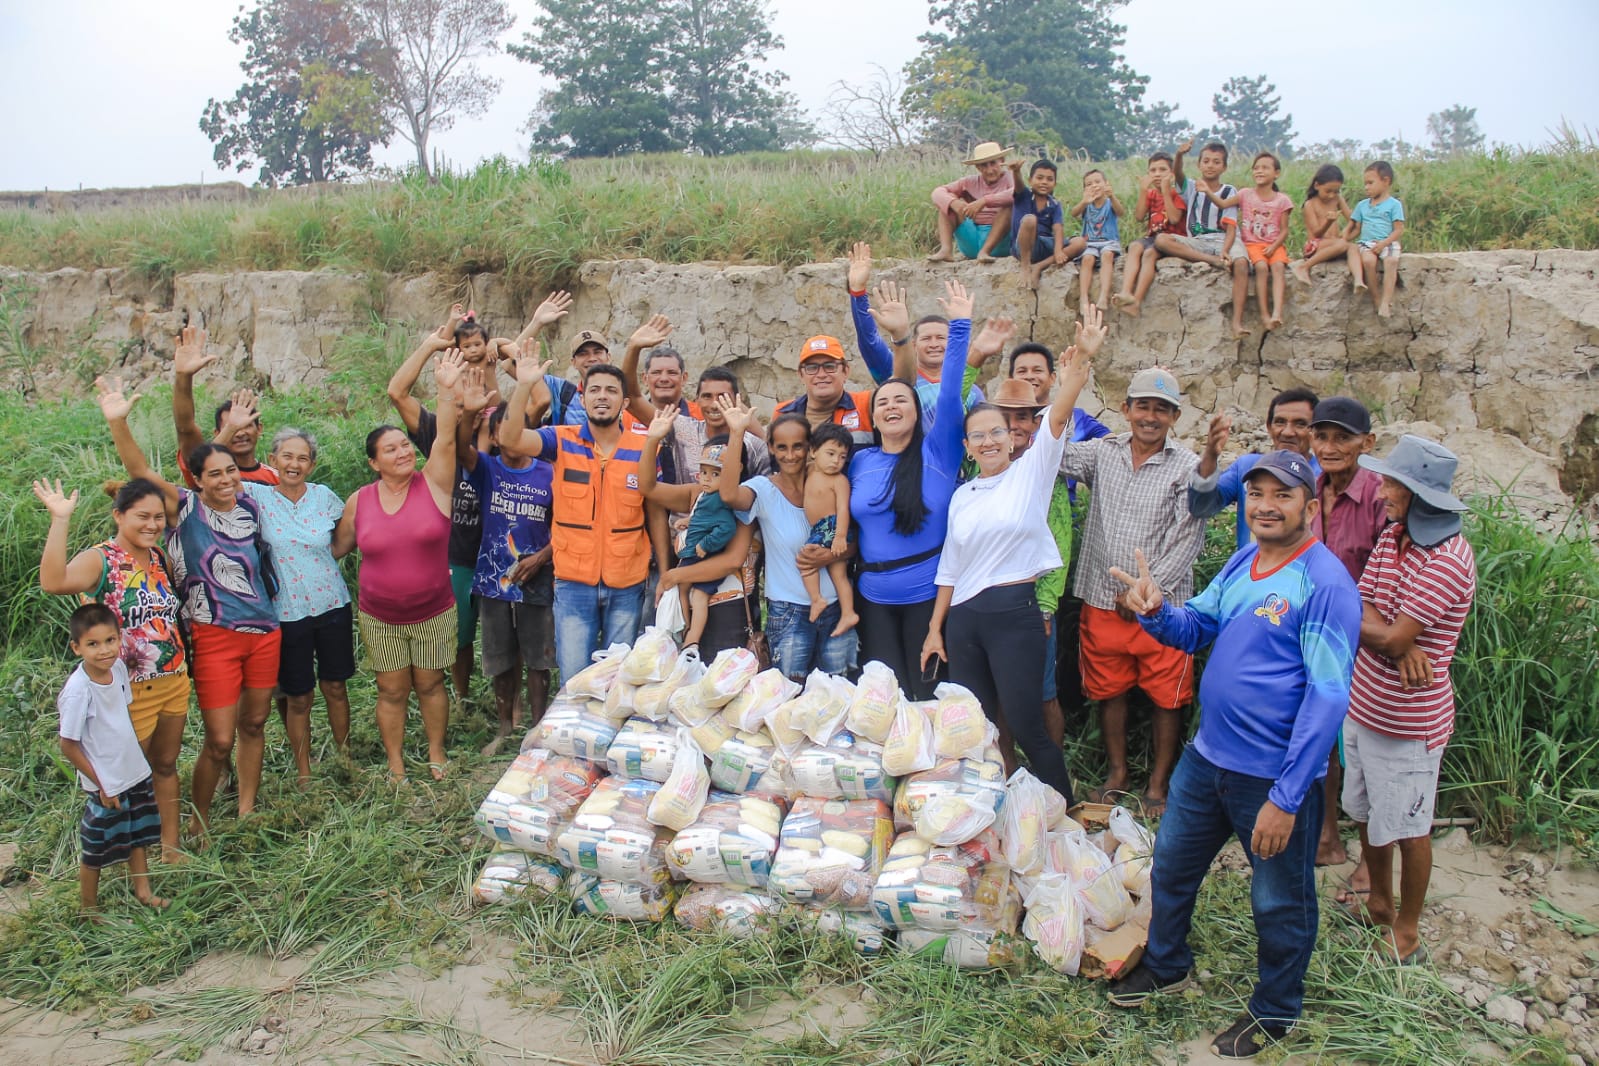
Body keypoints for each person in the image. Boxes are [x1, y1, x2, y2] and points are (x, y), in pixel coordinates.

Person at [1106, 450, 1361, 1058]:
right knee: (1171, 867)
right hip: (1206, 760)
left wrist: (1287, 796)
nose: (1267, 506)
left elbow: (1327, 699)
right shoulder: (1247, 557)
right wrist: (1156, 612)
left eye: (1283, 495)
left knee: (1279, 899)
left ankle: (1276, 1010)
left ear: (1311, 504)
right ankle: (1167, 965)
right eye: (1257, 494)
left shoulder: (1324, 584)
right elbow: (1196, 627)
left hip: (1269, 777)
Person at [921, 308, 1102, 804]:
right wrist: (936, 629)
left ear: (1011, 437)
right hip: (963, 621)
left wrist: (1080, 361)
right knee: (979, 727)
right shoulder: (964, 494)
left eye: (997, 432)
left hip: (1014, 614)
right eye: (978, 435)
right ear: (968, 445)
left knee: (1028, 725)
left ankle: (1062, 812)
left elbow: (1060, 414)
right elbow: (950, 568)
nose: (989, 441)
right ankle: (992, 812)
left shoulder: (1032, 474)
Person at [99, 376, 280, 838]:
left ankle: (245, 810)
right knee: (219, 741)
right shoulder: (184, 510)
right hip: (213, 635)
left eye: (231, 472)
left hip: (264, 631)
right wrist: (120, 423)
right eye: (214, 474)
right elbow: (138, 470)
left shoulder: (251, 509)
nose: (226, 480)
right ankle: (198, 824)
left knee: (255, 723)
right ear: (196, 481)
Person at [1343, 435, 1476, 965]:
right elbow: (1360, 604)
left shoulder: (1447, 558)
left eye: (1393, 484)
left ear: (1420, 494)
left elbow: (1391, 632)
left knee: (1410, 827)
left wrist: (1399, 641)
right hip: (1366, 705)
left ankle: (1408, 928)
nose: (1382, 492)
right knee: (1368, 814)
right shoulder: (1395, 538)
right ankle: (1378, 899)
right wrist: (1396, 641)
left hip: (1407, 722)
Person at [1059, 367, 1206, 814]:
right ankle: (1118, 772)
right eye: (1143, 406)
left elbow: (1188, 536)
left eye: (1161, 409)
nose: (1150, 417)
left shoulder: (1188, 466)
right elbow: (1053, 454)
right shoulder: (1103, 453)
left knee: (1167, 696)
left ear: (1175, 417)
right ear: (1126, 410)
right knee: (1109, 689)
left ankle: (1159, 785)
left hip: (1162, 607)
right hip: (1103, 599)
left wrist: (1145, 591)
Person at [35, 478, 190, 865]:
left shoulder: (158, 558)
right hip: (127, 691)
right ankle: (124, 859)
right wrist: (60, 520)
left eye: (158, 517)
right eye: (142, 516)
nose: (152, 524)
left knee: (166, 766)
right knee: (127, 777)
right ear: (119, 515)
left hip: (173, 680)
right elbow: (53, 582)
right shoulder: (100, 559)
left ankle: (169, 848)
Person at [848, 279, 977, 699]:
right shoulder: (860, 461)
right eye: (882, 402)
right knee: (884, 699)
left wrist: (960, 327)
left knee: (927, 697)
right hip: (872, 600)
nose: (891, 406)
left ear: (917, 411)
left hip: (929, 598)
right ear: (873, 417)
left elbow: (953, 388)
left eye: (901, 400)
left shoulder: (939, 452)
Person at [338, 355, 464, 781]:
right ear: (373, 462)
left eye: (405, 445)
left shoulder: (434, 483)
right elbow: (337, 547)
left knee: (430, 683)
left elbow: (445, 438)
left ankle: (435, 751)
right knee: (391, 690)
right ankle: (395, 762)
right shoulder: (360, 500)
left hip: (432, 610)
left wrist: (446, 390)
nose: (403, 452)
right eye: (390, 449)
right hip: (380, 615)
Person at [503, 354, 659, 684]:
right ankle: (570, 737)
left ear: (625, 401)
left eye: (612, 391)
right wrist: (524, 386)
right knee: (574, 680)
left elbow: (655, 510)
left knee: (618, 681)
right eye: (595, 390)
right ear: (582, 396)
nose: (602, 396)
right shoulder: (560, 439)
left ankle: (606, 736)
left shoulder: (645, 446)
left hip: (627, 583)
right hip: (574, 583)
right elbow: (510, 439)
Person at [1307, 396, 1389, 889]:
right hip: (1317, 635)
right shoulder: (1313, 489)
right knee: (1323, 741)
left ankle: (1369, 863)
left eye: (1342, 438)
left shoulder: (1380, 497)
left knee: (1364, 749)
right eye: (1323, 437)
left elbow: (1392, 574)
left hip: (1368, 641)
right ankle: (1327, 836)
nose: (1330, 447)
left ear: (1367, 443)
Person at [245, 420, 355, 786]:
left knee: (335, 687)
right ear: (272, 459)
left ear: (312, 464)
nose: (294, 464)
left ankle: (344, 756)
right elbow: (207, 473)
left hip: (332, 604)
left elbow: (341, 543)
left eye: (303, 458)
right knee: (298, 695)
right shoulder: (256, 497)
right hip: (287, 613)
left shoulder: (324, 496)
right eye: (287, 457)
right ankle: (304, 770)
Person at [719, 403, 857, 679]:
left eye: (798, 446)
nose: (791, 455)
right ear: (771, 448)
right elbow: (728, 495)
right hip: (789, 613)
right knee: (789, 692)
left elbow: (851, 544)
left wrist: (830, 556)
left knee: (838, 694)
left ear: (811, 448)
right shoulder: (763, 488)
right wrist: (736, 435)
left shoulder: (828, 479)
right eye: (782, 447)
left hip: (836, 608)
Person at [459, 383, 556, 757]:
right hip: (493, 577)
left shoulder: (548, 472)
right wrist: (469, 412)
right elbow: (460, 445)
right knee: (500, 658)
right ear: (496, 436)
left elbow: (563, 524)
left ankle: (537, 731)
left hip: (538, 576)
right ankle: (505, 729)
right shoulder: (486, 468)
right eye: (502, 428)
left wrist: (542, 557)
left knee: (539, 658)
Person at [58, 603, 169, 918]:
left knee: (138, 834)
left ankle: (143, 890)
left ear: (120, 638)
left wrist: (135, 763)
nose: (104, 650)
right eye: (92, 644)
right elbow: (68, 743)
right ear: (76, 647)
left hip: (133, 771)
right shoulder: (78, 691)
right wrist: (102, 783)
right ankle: (89, 908)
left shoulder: (119, 669)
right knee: (96, 845)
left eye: (109, 641)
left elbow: (120, 720)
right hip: (106, 782)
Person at [846, 243, 984, 431]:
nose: (934, 344)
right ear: (913, 345)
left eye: (941, 338)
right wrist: (858, 292)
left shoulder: (972, 392)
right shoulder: (898, 374)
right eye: (926, 339)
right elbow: (869, 341)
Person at [638, 413, 737, 651]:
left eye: (716, 474)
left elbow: (726, 528)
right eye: (704, 472)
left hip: (717, 574)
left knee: (695, 595)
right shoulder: (699, 494)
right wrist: (652, 440)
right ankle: (683, 630)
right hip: (691, 555)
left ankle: (691, 636)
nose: (707, 478)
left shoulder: (733, 498)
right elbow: (648, 487)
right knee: (684, 591)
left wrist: (706, 545)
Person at [1187, 387, 1321, 549]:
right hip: (1251, 571)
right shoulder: (1247, 467)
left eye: (1300, 424)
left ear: (1314, 431)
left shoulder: (1324, 477)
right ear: (1269, 427)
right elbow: (1201, 508)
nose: (1287, 432)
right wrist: (1210, 455)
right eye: (1280, 422)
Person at [171, 324, 279, 487]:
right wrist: (184, 377)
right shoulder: (207, 474)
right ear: (217, 433)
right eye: (230, 426)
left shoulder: (276, 480)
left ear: (259, 429)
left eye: (247, 425)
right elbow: (185, 428)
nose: (240, 432)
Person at [1211, 152, 1294, 336]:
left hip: (1274, 244)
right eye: (1256, 168)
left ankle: (1277, 313)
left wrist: (1274, 246)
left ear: (1276, 173)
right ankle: (1264, 315)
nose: (1259, 171)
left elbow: (1284, 230)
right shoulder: (1245, 194)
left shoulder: (1282, 200)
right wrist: (1208, 191)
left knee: (1279, 267)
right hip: (1253, 244)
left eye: (1265, 168)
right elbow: (1223, 204)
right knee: (1262, 268)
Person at [1151, 140, 1243, 283]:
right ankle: (1212, 260)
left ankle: (1239, 304)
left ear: (1224, 167)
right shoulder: (1192, 188)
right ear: (1199, 165)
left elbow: (1231, 227)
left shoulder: (1229, 191)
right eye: (1206, 161)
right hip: (1198, 242)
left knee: (1241, 262)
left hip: (1223, 241)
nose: (1210, 165)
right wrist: (1180, 154)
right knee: (1162, 239)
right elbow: (1178, 174)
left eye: (1216, 162)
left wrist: (1225, 249)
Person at [1112, 152, 1187, 314]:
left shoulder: (1177, 195)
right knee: (1134, 247)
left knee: (1148, 255)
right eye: (1153, 170)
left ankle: (1136, 301)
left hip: (1171, 239)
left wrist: (1166, 192)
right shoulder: (1151, 194)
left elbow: (1174, 219)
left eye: (1162, 170)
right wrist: (1143, 191)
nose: (1157, 174)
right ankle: (1126, 291)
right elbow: (1139, 216)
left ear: (1172, 174)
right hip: (1152, 237)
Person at [801, 423, 858, 634]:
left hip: (832, 527)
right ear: (814, 451)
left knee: (807, 562)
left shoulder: (840, 480)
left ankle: (818, 600)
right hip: (820, 528)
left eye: (842, 457)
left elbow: (843, 509)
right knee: (838, 575)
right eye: (831, 453)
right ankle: (848, 612)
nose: (836, 461)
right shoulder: (808, 471)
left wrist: (840, 536)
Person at [775, 334, 877, 448]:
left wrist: (898, 340)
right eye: (812, 368)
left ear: (845, 371)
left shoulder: (866, 404)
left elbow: (897, 387)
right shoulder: (783, 413)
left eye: (829, 366)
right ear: (801, 375)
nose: (821, 374)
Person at [928, 141, 1015, 263]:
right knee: (946, 205)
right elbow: (937, 192)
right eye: (984, 165)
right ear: (978, 167)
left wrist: (984, 201)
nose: (990, 170)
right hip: (972, 239)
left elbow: (1017, 194)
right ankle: (946, 250)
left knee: (1008, 207)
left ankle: (985, 251)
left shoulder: (1011, 177)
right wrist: (954, 203)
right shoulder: (969, 182)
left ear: (1001, 161)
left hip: (1000, 243)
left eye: (993, 163)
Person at [1345, 161, 1406, 317]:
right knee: (1368, 261)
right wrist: (1343, 239)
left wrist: (1384, 243)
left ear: (1385, 181)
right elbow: (1356, 229)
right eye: (1365, 184)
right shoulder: (1362, 206)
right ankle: (1375, 297)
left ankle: (1386, 302)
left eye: (1371, 183)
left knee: (1391, 261)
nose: (1367, 187)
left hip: (1387, 241)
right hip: (1367, 242)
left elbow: (1398, 229)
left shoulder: (1394, 205)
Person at [1062, 170, 1123, 310]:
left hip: (1108, 242)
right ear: (1084, 189)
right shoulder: (1087, 205)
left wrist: (1112, 196)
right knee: (1087, 258)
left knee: (1107, 255)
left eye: (1097, 182)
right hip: (1089, 243)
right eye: (1089, 184)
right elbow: (1073, 213)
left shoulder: (1109, 203)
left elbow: (1120, 212)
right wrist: (1084, 201)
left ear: (1106, 184)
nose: (1094, 186)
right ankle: (1084, 297)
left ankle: (1104, 296)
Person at [1007, 157, 1069, 288]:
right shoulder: (1024, 196)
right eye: (1039, 178)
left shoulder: (1054, 204)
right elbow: (1018, 185)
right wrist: (1016, 171)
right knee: (1030, 219)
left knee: (1079, 242)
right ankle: (1025, 266)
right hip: (1023, 246)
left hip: (1044, 245)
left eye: (1049, 179)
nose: (1044, 182)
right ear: (1030, 181)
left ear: (1055, 184)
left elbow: (1058, 228)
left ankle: (1039, 266)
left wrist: (1058, 250)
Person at [1290, 165, 1357, 286]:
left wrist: (1349, 230)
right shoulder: (1310, 204)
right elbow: (1316, 233)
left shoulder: (1337, 199)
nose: (1331, 195)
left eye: (1336, 191)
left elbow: (1352, 219)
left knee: (1353, 247)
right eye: (1328, 191)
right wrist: (1328, 222)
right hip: (1316, 246)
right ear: (1317, 186)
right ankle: (1304, 267)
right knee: (1342, 244)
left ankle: (1358, 280)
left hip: (1335, 244)